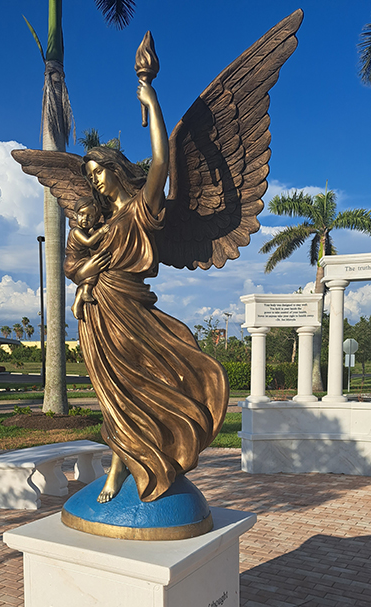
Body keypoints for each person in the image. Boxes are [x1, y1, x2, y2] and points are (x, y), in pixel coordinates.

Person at [64, 80, 228, 504]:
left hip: (131, 311)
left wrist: (151, 99)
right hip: (97, 314)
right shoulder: (94, 222)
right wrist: (84, 272)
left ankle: (147, 461)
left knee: (143, 386)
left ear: (114, 168)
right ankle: (120, 468)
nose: (95, 181)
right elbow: (73, 266)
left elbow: (161, 161)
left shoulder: (142, 208)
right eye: (89, 176)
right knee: (114, 396)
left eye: (98, 171)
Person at [67, 197, 109, 320]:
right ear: (75, 215)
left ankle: (78, 301)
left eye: (90, 216)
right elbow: (89, 242)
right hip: (74, 263)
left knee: (92, 268)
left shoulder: (87, 230)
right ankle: (85, 291)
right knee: (94, 265)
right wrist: (101, 232)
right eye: (81, 214)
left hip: (80, 261)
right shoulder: (76, 231)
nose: (85, 219)